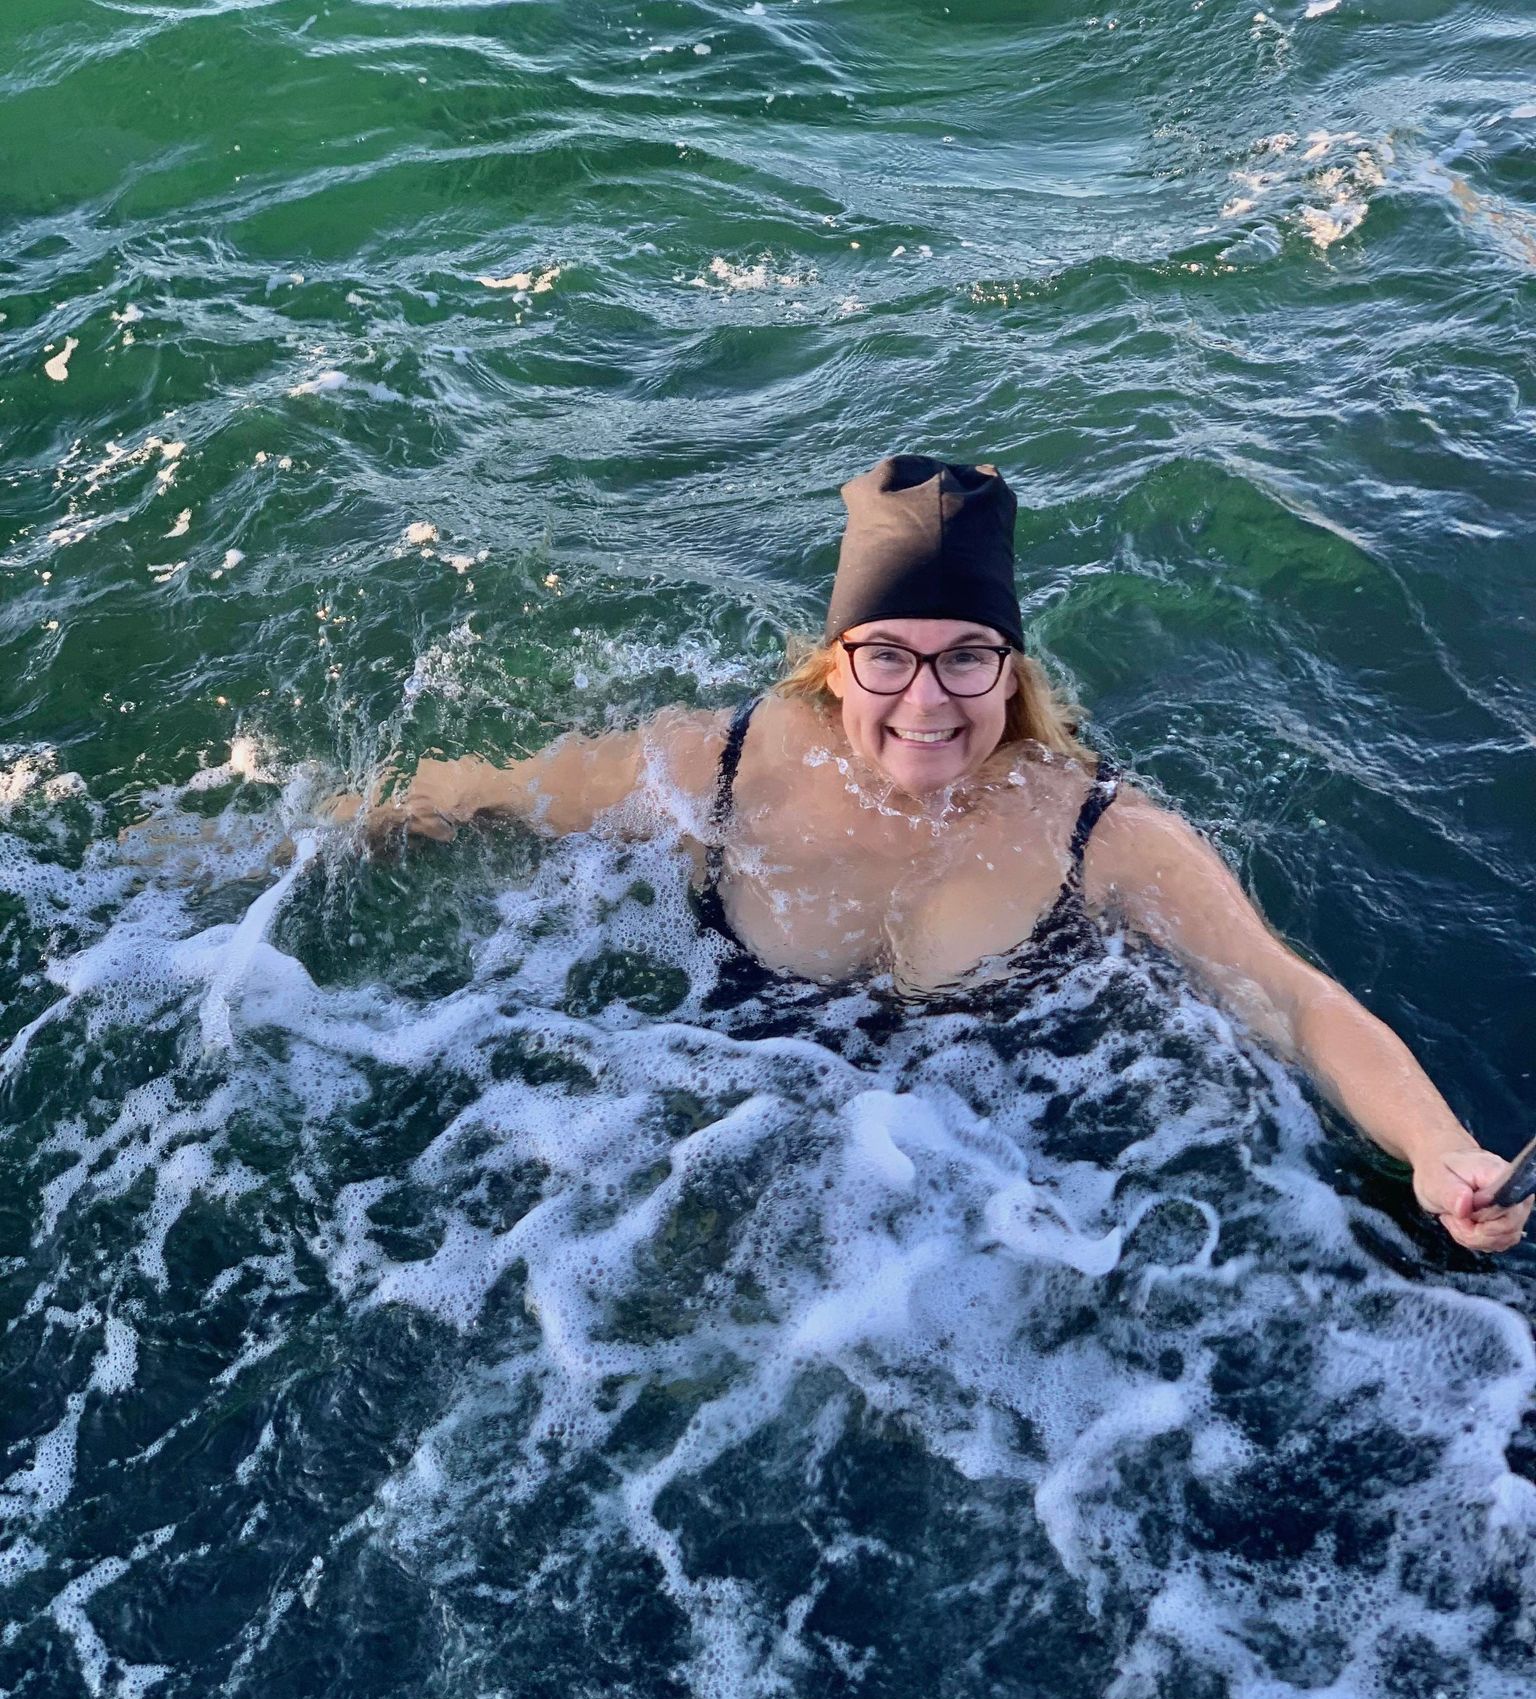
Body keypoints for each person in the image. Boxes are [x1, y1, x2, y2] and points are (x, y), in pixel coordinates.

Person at [337, 456, 1531, 1255]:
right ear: (836, 657)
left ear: (1011, 668)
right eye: (889, 657)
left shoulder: (1098, 829)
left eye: (968, 656)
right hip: (695, 1136)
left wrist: (1435, 1149)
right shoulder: (724, 761)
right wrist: (248, 849)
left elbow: (1292, 997)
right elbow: (472, 796)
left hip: (985, 1200)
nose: (928, 699)